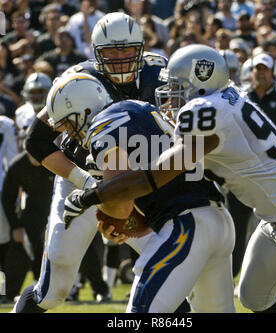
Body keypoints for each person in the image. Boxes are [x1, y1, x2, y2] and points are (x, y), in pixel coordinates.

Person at [64, 44, 276, 313]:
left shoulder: (202, 110)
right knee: (254, 297)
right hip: (275, 215)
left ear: (200, 82)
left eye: (176, 86)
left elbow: (151, 178)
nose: (169, 96)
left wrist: (89, 195)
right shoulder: (228, 97)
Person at [11, 12, 168, 313]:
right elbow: (37, 141)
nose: (120, 58)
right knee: (54, 288)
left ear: (140, 47)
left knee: (169, 267)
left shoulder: (158, 76)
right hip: (81, 180)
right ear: (96, 52)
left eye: (127, 50)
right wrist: (86, 183)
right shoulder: (78, 81)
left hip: (135, 184)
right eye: (111, 51)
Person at [47, 72, 236, 313]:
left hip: (186, 225)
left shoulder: (103, 125)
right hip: (218, 218)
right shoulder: (141, 108)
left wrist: (109, 220)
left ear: (84, 111)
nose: (70, 135)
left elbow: (121, 200)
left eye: (69, 124)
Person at [1, 150, 54, 303]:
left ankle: (99, 291)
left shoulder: (54, 159)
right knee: (18, 250)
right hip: (32, 213)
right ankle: (8, 294)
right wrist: (15, 226)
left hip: (57, 212)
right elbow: (7, 199)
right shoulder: (18, 165)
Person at [0, 115, 18, 290]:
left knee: (3, 243)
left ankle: (3, 289)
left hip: (1, 187)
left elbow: (12, 158)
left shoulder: (5, 124)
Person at [15, 72, 52, 150]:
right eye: (33, 92)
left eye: (39, 92)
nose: (36, 96)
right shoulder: (20, 112)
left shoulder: (56, 111)